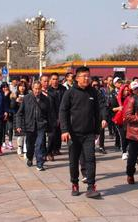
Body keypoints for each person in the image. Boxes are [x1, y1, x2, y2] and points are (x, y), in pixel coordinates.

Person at [59, 66, 107, 198]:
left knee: (90, 159)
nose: (87, 79)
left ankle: (91, 187)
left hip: (89, 133)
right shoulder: (70, 93)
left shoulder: (93, 92)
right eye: (84, 76)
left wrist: (97, 130)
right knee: (73, 161)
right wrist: (64, 130)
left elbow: (97, 112)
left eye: (88, 76)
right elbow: (62, 111)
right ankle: (75, 183)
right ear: (77, 78)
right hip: (73, 133)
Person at [15, 81, 51, 171]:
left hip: (41, 125)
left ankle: (39, 163)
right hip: (29, 125)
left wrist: (49, 124)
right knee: (30, 145)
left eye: (39, 88)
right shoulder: (27, 98)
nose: (37, 91)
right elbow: (19, 113)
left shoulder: (46, 99)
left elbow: (49, 113)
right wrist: (18, 125)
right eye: (35, 88)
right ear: (32, 88)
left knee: (39, 145)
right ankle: (30, 157)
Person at [47, 73, 66, 159]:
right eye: (53, 79)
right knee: (52, 135)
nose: (55, 81)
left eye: (56, 79)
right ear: (50, 80)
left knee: (59, 134)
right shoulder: (48, 90)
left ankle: (56, 149)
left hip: (62, 114)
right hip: (51, 116)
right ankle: (49, 152)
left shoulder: (63, 89)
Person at [111, 84, 132, 160]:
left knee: (128, 136)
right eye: (125, 90)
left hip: (128, 119)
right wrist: (119, 108)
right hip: (119, 119)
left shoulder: (130, 98)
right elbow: (111, 108)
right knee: (122, 136)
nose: (126, 92)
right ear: (122, 91)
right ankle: (124, 152)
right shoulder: (116, 98)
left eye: (127, 90)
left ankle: (128, 150)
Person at [10, 81, 29, 155]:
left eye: (24, 86)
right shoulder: (14, 95)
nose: (22, 87)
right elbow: (11, 106)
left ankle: (25, 148)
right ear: (18, 87)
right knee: (19, 134)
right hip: (17, 116)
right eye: (20, 86)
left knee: (26, 134)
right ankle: (19, 146)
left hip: (26, 116)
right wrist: (15, 101)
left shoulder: (28, 95)